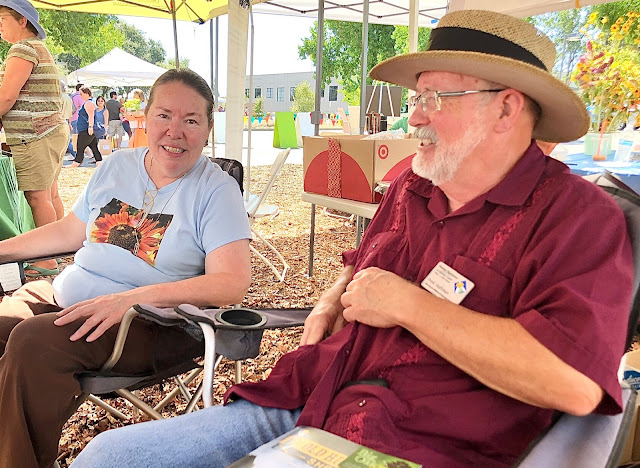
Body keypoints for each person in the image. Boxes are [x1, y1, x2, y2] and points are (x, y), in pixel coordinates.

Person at [73, 10, 634, 468]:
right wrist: (330, 298)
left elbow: (576, 385)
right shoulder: (413, 185)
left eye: (433, 98)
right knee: (106, 459)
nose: (412, 118)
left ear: (506, 108)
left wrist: (410, 306)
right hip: (315, 395)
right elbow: (360, 263)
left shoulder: (577, 218)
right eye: (415, 98)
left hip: (425, 441)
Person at [0, 67, 252, 468]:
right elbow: (71, 230)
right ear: (145, 118)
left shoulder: (215, 190)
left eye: (191, 120)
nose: (175, 131)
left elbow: (232, 283)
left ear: (207, 128)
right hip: (66, 293)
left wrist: (129, 300)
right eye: (164, 116)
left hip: (151, 322)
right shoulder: (117, 166)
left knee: (31, 344)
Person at [0, 0, 69, 277]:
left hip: (34, 133)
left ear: (22, 21)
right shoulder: (40, 49)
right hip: (50, 130)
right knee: (50, 194)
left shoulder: (23, 48)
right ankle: (60, 251)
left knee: (38, 198)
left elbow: (6, 95)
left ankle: (47, 261)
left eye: (2, 19)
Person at [70, 87, 101, 167]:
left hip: (86, 129)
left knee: (80, 147)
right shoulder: (89, 102)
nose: (80, 96)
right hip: (87, 128)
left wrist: (90, 127)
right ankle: (99, 163)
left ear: (87, 94)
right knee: (94, 147)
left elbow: (91, 116)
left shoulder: (88, 103)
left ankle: (76, 163)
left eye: (81, 94)